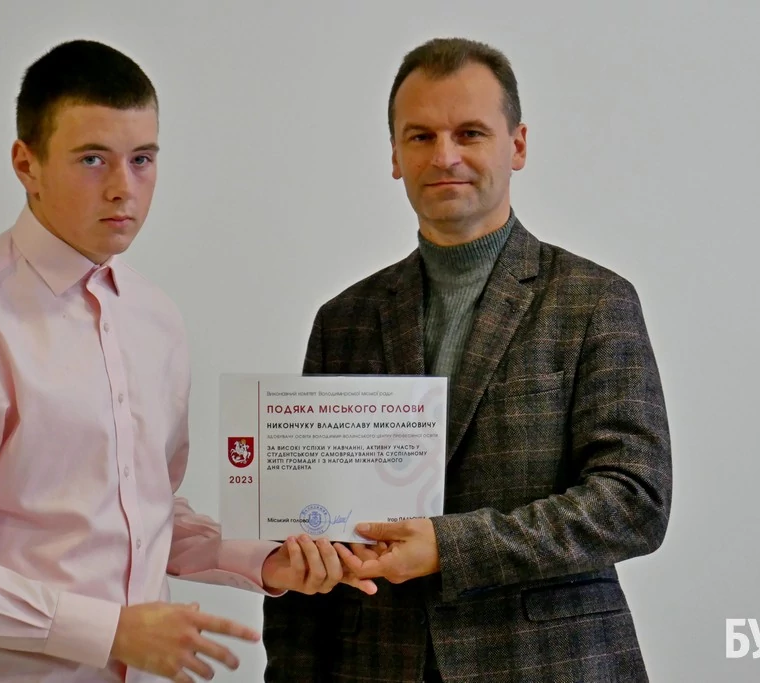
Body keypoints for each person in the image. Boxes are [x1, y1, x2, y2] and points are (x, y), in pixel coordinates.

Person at [0, 39, 371, 683]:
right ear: (26, 164)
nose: (123, 188)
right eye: (92, 159)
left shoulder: (155, 318)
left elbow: (148, 514)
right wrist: (109, 630)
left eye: (142, 159)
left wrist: (264, 561)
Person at [262, 37, 672, 682]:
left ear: (518, 145)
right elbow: (306, 526)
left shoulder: (594, 300)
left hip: (548, 664)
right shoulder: (343, 319)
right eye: (420, 136)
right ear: (394, 155)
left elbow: (634, 501)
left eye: (470, 133)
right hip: (373, 665)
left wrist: (449, 547)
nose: (444, 156)